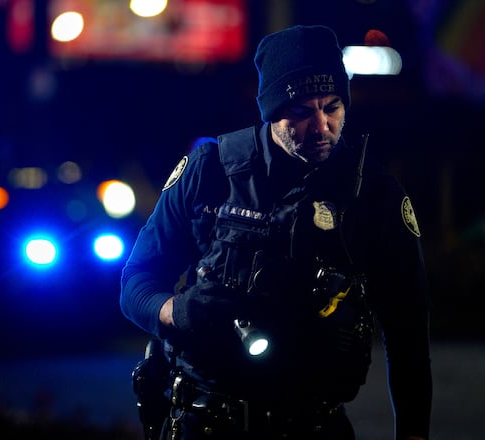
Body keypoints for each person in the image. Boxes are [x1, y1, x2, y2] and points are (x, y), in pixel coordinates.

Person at [120, 24, 432, 440]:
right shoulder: (211, 171)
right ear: (270, 110)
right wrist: (177, 312)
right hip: (206, 421)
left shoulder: (375, 196)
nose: (321, 126)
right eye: (302, 112)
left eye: (333, 107)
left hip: (313, 425)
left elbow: (408, 334)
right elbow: (136, 283)